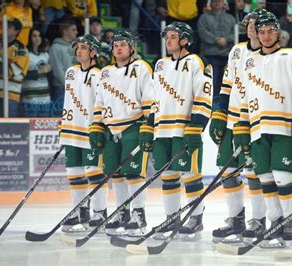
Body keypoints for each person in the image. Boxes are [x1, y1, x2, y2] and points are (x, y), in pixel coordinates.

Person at [234, 10, 292, 248]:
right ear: (257, 35)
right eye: (262, 32)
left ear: (278, 33)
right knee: (265, 177)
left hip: (284, 125)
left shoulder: (291, 56)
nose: (266, 35)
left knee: (283, 176)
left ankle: (290, 221)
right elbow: (244, 98)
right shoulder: (249, 61)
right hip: (258, 127)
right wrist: (241, 126)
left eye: (270, 31)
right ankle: (275, 223)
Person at [142, 21, 212, 241]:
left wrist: (197, 125)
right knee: (168, 176)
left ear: (184, 39)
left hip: (184, 128)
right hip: (162, 129)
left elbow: (204, 94)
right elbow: (155, 98)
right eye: (167, 37)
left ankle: (195, 218)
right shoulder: (160, 65)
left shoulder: (195, 62)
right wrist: (149, 124)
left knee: (191, 175)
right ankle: (171, 218)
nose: (168, 40)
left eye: (173, 36)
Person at [209, 10, 267, 244]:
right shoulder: (236, 50)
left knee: (255, 172)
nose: (251, 26)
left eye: (257, 23)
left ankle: (259, 220)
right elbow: (226, 85)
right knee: (227, 170)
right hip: (233, 120)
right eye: (249, 23)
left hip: (256, 120)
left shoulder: (270, 54)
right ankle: (236, 220)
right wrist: (219, 113)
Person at [90, 30, 154, 237]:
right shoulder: (105, 72)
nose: (118, 48)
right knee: (114, 174)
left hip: (133, 127)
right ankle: (122, 213)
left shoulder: (141, 67)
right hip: (110, 129)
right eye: (116, 45)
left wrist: (148, 125)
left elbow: (149, 99)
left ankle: (139, 215)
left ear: (132, 48)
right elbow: (99, 102)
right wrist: (97, 127)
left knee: (133, 173)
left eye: (123, 44)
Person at [59, 34, 107, 232]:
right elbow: (68, 100)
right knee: (74, 172)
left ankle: (100, 212)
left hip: (91, 130)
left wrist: (100, 127)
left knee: (93, 171)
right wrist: (63, 124)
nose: (78, 51)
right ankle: (80, 211)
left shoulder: (100, 75)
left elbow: (103, 103)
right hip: (71, 130)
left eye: (84, 48)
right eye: (77, 47)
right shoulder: (70, 72)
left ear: (93, 52)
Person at [0, 18, 29, 117]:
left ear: (16, 31)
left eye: (9, 27)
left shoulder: (21, 50)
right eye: (5, 25)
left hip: (11, 95)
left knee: (9, 129)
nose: (5, 28)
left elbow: (11, 72)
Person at [197, 0, 236, 97]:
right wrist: (216, 40)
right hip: (210, 55)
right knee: (211, 83)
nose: (217, 3)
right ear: (210, 3)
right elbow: (202, 32)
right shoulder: (203, 18)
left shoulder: (231, 18)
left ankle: (224, 107)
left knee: (227, 84)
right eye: (214, 1)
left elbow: (236, 32)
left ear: (224, 3)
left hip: (228, 56)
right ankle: (211, 106)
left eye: (219, 1)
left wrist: (226, 39)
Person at [49, 18, 78, 117]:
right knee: (61, 117)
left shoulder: (75, 47)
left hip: (76, 87)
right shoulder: (56, 47)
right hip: (61, 88)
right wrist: (69, 85)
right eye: (73, 30)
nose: (76, 32)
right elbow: (58, 71)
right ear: (65, 31)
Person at [20, 27, 52, 117]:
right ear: (29, 38)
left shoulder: (46, 54)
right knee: (30, 128)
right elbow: (22, 75)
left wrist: (50, 70)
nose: (37, 38)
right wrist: (39, 71)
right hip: (30, 98)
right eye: (34, 36)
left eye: (39, 36)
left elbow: (51, 76)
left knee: (43, 129)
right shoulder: (25, 54)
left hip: (45, 98)